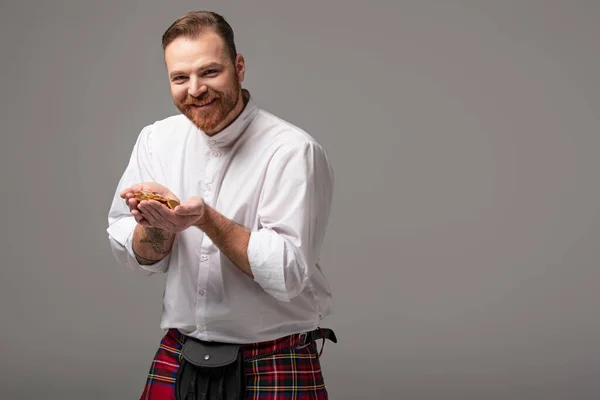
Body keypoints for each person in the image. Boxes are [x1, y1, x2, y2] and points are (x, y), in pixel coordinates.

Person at [106, 10, 336, 399]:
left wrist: (208, 220)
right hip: (180, 351)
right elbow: (137, 255)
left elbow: (287, 272)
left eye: (210, 72)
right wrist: (157, 226)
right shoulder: (155, 140)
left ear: (239, 67)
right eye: (180, 77)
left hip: (274, 358)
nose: (195, 89)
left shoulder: (292, 151)